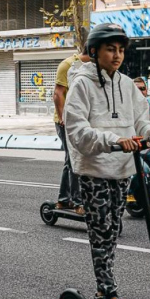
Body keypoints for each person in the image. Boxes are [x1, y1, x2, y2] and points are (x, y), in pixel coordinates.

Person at [65, 23, 150, 299]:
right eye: (110, 49)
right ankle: (110, 296)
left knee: (112, 234)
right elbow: (76, 130)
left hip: (123, 169)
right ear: (94, 51)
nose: (117, 55)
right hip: (95, 170)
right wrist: (113, 140)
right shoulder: (81, 85)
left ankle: (101, 295)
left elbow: (141, 121)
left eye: (121, 50)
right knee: (101, 235)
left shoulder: (127, 84)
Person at [52, 27, 90, 215]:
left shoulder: (93, 68)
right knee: (75, 159)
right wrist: (62, 118)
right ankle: (76, 201)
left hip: (81, 121)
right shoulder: (68, 65)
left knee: (71, 160)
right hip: (65, 122)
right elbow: (58, 94)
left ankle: (63, 200)